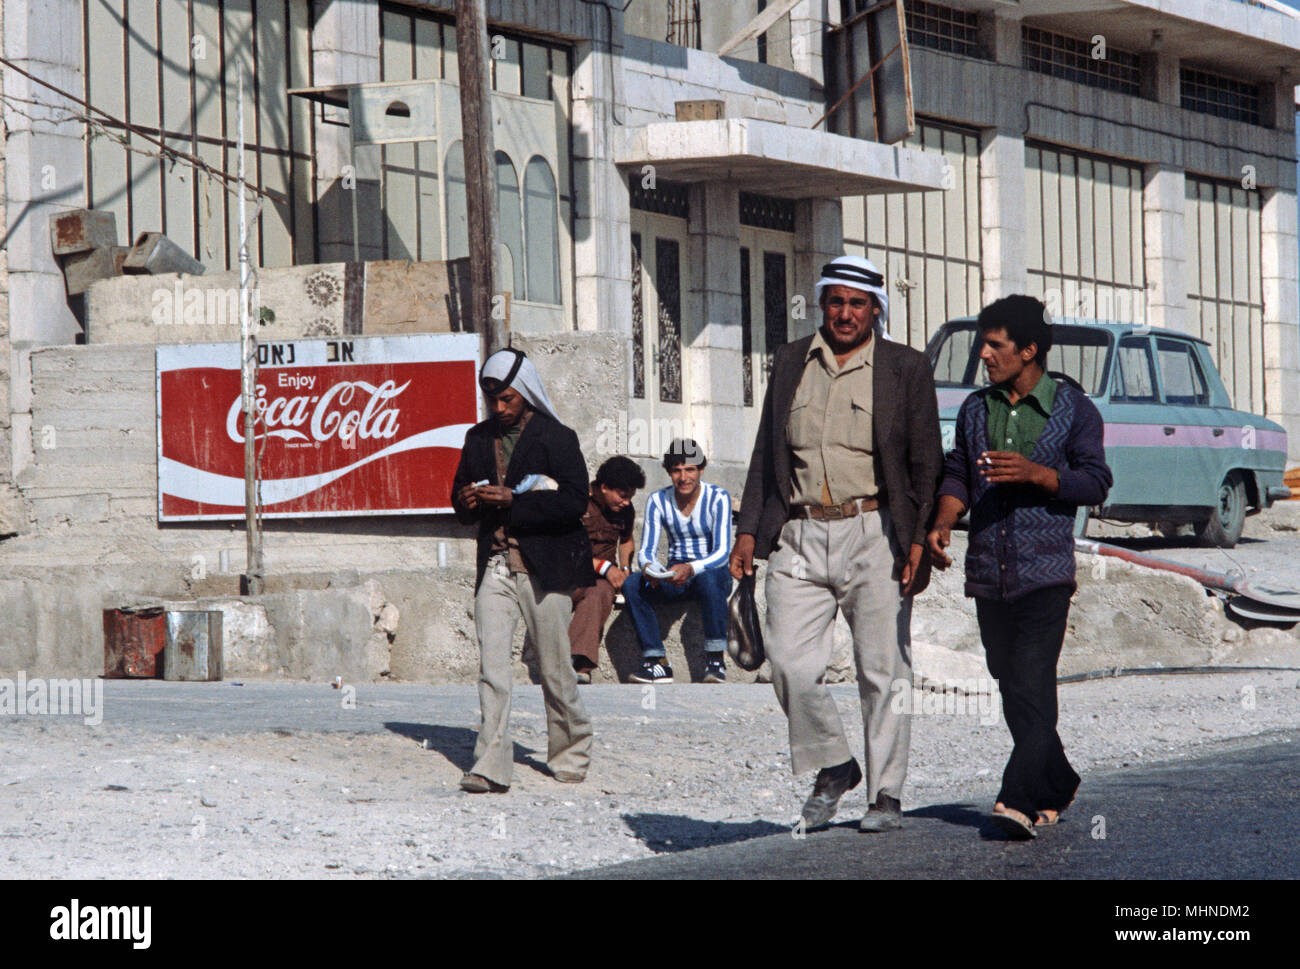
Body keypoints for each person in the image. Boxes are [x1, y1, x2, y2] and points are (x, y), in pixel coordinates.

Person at [730, 254, 943, 833]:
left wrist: (920, 540)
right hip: (798, 532)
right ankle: (834, 762)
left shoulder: (906, 368)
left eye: (857, 303)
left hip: (874, 532)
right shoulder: (791, 359)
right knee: (791, 666)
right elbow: (763, 455)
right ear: (822, 303)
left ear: (876, 309)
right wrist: (749, 529)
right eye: (835, 301)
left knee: (883, 670)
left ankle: (885, 796)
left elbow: (927, 463)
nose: (845, 313)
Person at [926, 295, 1112, 840]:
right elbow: (957, 471)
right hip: (988, 572)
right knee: (1010, 684)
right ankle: (1059, 779)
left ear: (1029, 350)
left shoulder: (1075, 410)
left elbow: (1096, 482)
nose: (983, 353)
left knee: (1032, 682)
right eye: (983, 343)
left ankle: (1016, 798)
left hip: (1046, 573)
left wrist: (1038, 473)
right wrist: (942, 521)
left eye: (994, 344)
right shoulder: (974, 409)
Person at [450, 348, 595, 793]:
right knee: (493, 670)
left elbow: (574, 503)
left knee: (554, 668)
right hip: (495, 567)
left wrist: (517, 502)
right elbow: (458, 496)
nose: (499, 409)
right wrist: (467, 501)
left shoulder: (558, 438)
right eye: (492, 400)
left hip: (543, 568)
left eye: (508, 400)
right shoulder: (477, 439)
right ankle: (491, 765)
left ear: (526, 394)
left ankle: (571, 751)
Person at [620, 438, 733, 684]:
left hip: (710, 570)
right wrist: (651, 569)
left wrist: (692, 568)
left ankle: (715, 660)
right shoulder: (658, 500)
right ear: (669, 472)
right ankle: (656, 662)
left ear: (701, 470)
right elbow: (646, 550)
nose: (683, 477)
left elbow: (723, 552)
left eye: (690, 469)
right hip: (675, 571)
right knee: (632, 585)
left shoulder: (718, 498)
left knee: (710, 581)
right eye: (676, 470)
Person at [569, 455, 646, 683]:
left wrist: (624, 569)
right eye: (622, 496)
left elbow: (627, 540)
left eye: (630, 497)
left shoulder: (625, 510)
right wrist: (604, 567)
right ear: (604, 487)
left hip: (600, 581)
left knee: (600, 592)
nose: (626, 502)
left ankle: (579, 665)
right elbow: (564, 549)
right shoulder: (576, 501)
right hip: (570, 573)